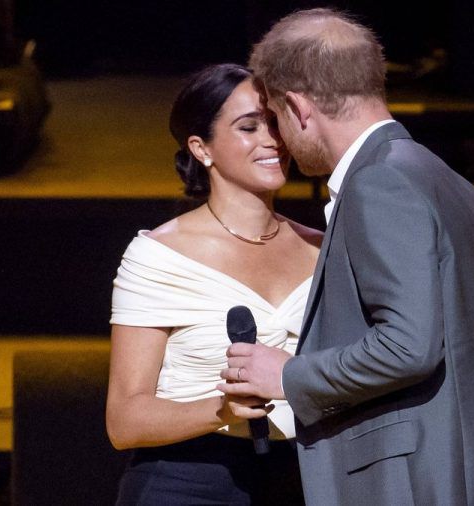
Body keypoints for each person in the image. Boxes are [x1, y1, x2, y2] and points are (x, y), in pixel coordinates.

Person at [218, 8, 474, 505]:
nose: (278, 138)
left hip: (421, 483)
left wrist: (285, 375)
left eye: (277, 119)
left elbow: (408, 345)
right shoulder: (453, 185)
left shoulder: (379, 183)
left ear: (299, 108)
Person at [106, 63, 322, 505]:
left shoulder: (323, 249)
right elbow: (124, 421)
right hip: (188, 481)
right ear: (201, 148)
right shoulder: (159, 256)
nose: (272, 140)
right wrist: (219, 412)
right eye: (249, 127)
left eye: (275, 124)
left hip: (306, 479)